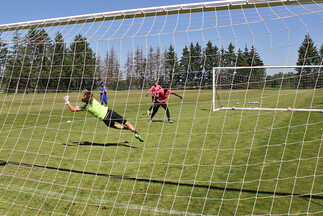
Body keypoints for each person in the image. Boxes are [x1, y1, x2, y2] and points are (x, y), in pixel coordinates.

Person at [64, 90, 144, 142]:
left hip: (105, 118)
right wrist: (86, 92)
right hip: (109, 112)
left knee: (113, 126)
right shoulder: (93, 100)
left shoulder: (85, 107)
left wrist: (67, 101)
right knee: (125, 121)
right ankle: (135, 132)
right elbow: (90, 94)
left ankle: (126, 129)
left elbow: (73, 109)